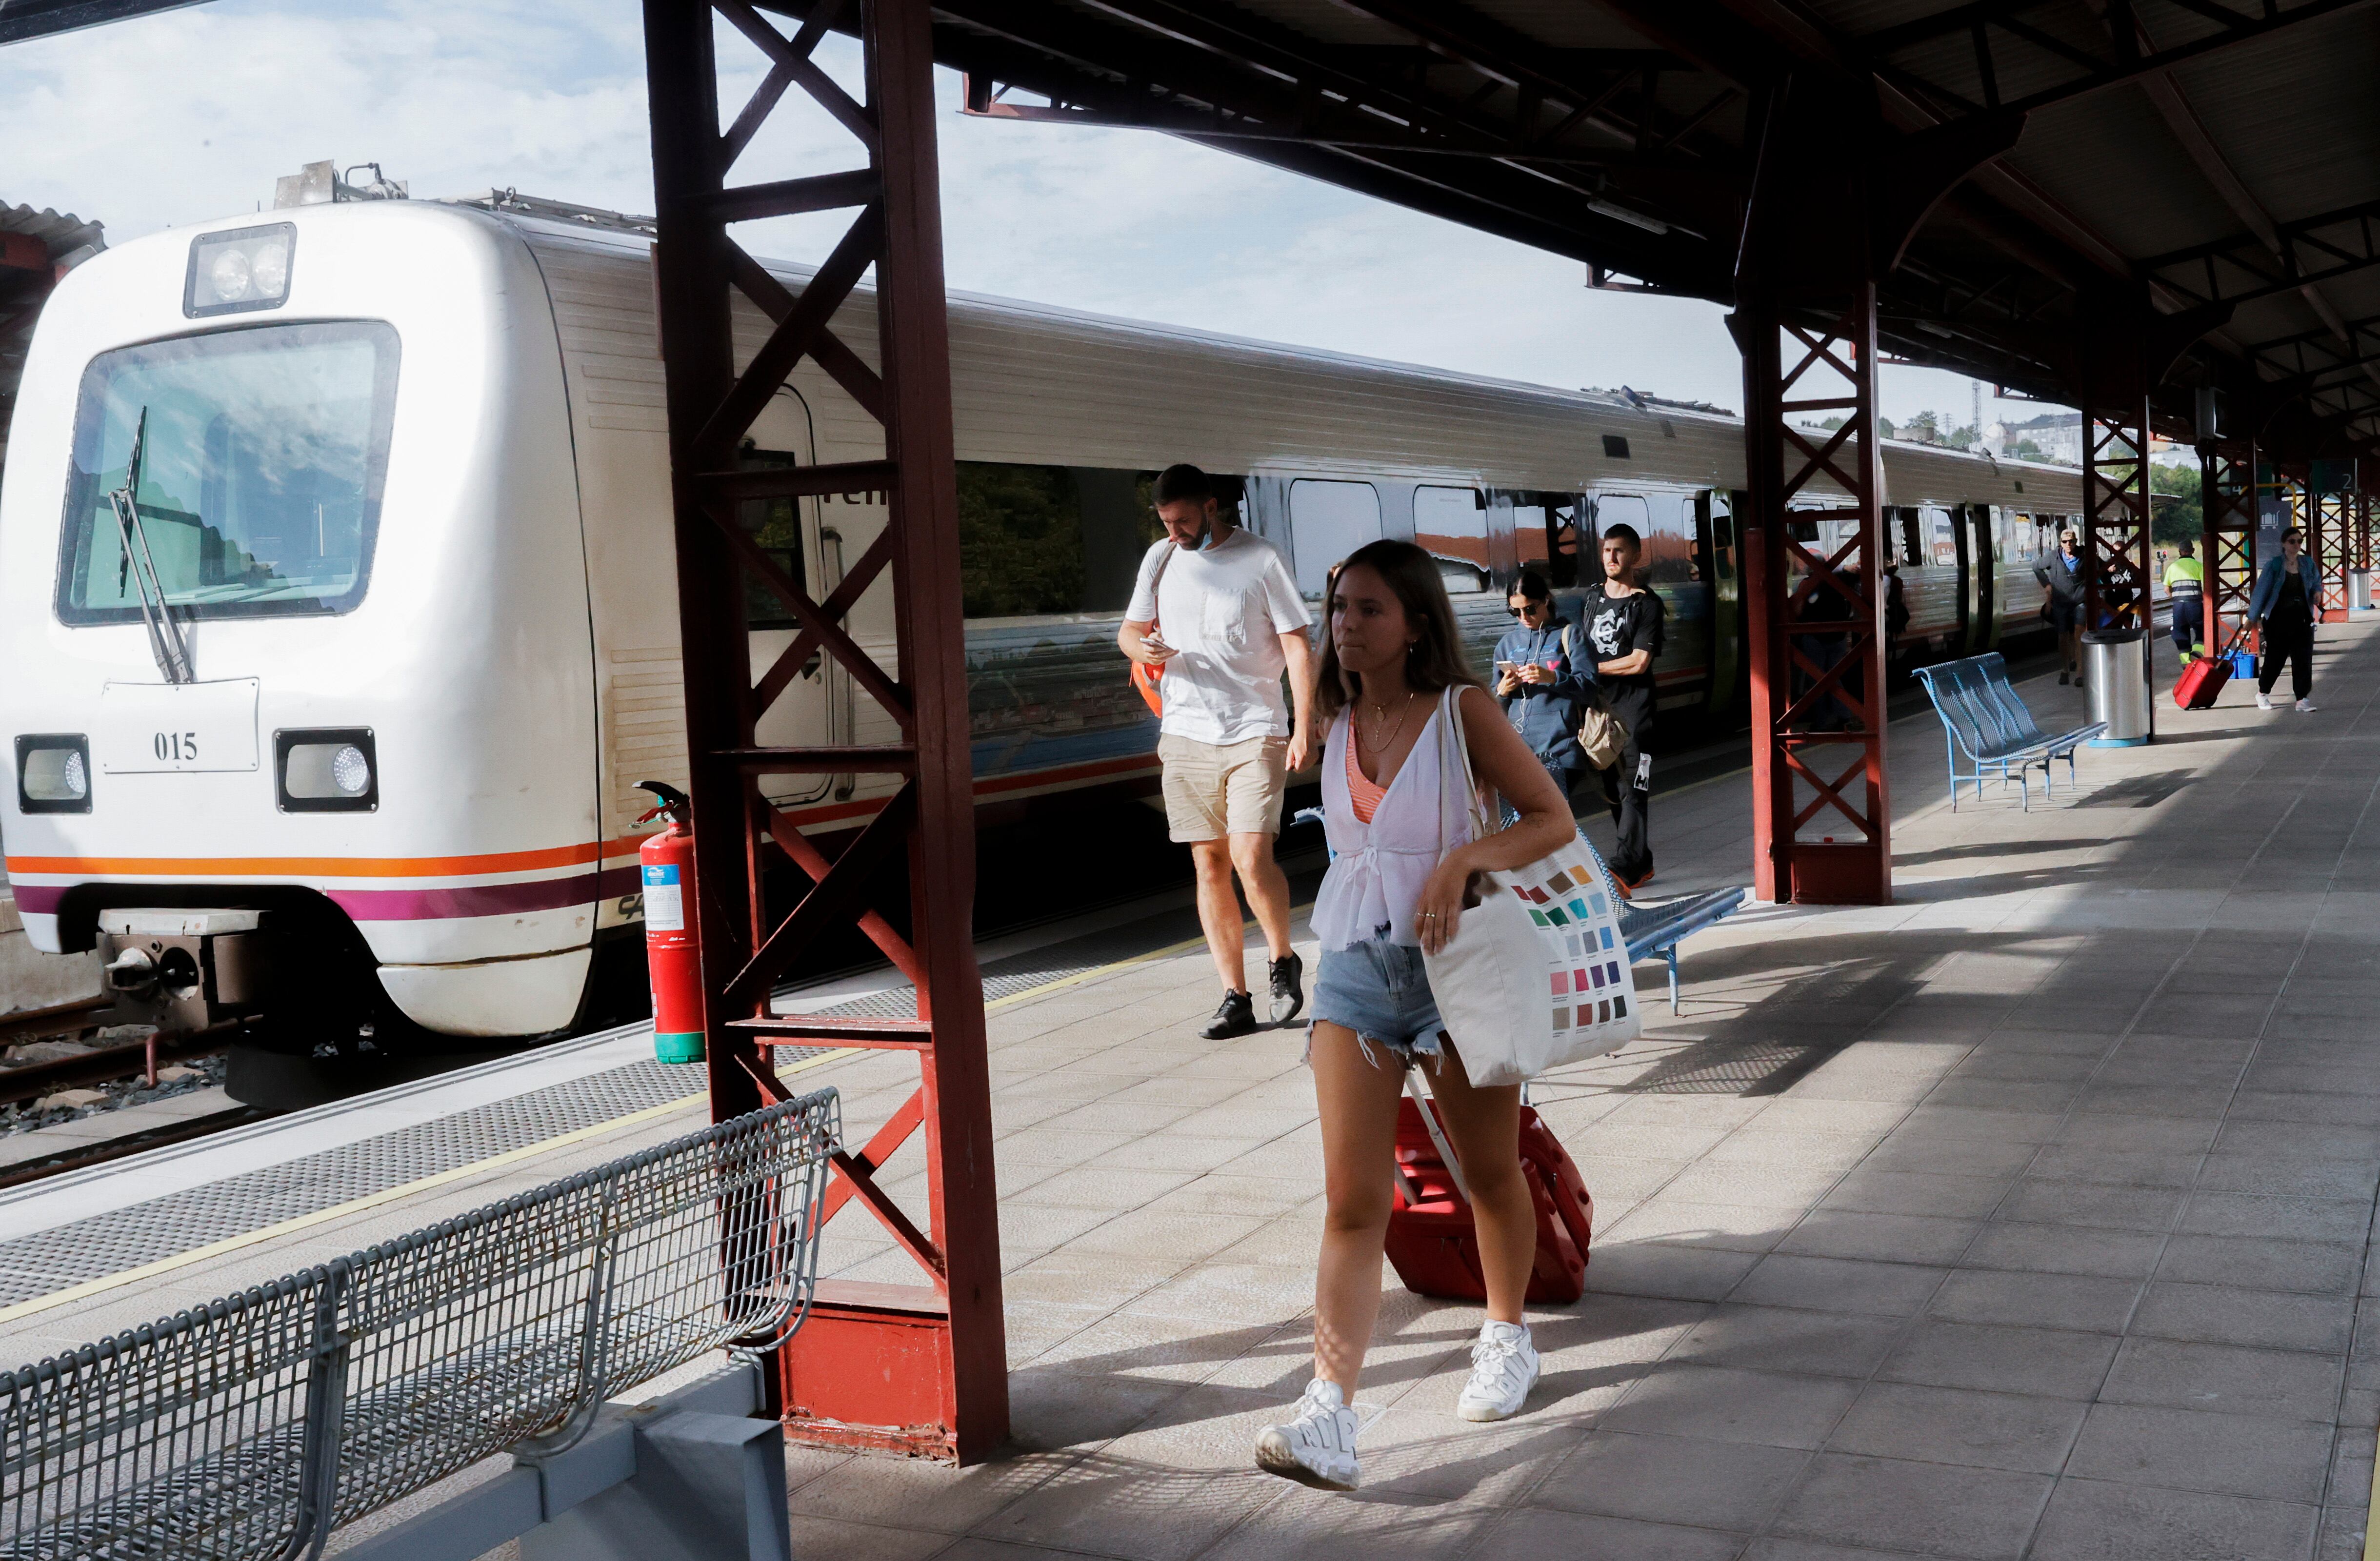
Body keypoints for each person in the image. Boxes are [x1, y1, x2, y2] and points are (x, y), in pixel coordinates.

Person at [1252, 539, 1576, 1492]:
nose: (1343, 625)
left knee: (1487, 1169)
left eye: (1366, 610)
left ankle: (1508, 1335)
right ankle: (1329, 1412)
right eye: (1337, 608)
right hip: (1356, 972)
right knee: (1354, 1201)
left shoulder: (1462, 712)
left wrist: (1459, 861)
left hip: (1459, 972)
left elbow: (1549, 816)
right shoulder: (1341, 720)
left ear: (1417, 624)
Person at [1120, 464, 1316, 1037]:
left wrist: (1304, 725)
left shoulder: (1261, 561)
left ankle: (1282, 958)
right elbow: (1127, 633)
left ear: (1211, 506)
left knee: (1251, 857)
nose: (1174, 532)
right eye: (1165, 522)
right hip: (1184, 731)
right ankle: (1235, 996)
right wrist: (1145, 643)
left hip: (1254, 727)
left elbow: (1298, 647)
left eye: (1183, 521)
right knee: (1208, 862)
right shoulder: (1160, 559)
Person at [1582, 524, 1665, 895]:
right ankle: (1640, 860)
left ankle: (1622, 865)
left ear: (1635, 556)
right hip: (1600, 713)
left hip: (1636, 714)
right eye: (1606, 551)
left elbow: (1638, 662)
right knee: (1614, 790)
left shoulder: (1646, 603)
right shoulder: (1592, 597)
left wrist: (1592, 669)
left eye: (1618, 551)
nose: (1610, 558)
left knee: (1636, 786)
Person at [1492, 569, 1590, 814]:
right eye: (1515, 611)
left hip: (1561, 750)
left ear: (1546, 599)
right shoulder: (1507, 645)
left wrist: (1553, 677)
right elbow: (1493, 709)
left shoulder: (1570, 635)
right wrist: (1501, 692)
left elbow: (1588, 688)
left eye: (1530, 609)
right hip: (1519, 753)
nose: (1523, 617)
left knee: (1546, 816)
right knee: (1521, 821)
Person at [2249, 526, 2321, 712]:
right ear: (2284, 543)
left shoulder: (2307, 563)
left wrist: (2317, 592)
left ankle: (2302, 698)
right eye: (2293, 541)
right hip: (2278, 620)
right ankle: (2263, 693)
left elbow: (2315, 582)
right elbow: (2261, 592)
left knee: (2303, 659)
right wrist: (2253, 617)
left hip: (2302, 618)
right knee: (2276, 659)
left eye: (2300, 541)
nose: (2297, 545)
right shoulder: (2274, 566)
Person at [2036, 529, 2086, 686]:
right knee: (2063, 636)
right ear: (2061, 543)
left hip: (2080, 600)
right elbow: (2036, 567)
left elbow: (2100, 567)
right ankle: (2065, 670)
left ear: (2076, 541)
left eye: (2071, 541)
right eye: (2065, 542)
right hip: (2061, 602)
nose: (2068, 544)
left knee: (2079, 632)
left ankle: (2080, 672)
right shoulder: (2053, 556)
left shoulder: (2085, 555)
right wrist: (2048, 585)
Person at [2165, 539, 2204, 668]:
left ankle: (2186, 664)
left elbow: (2167, 589)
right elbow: (2206, 588)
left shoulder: (2173, 567)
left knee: (2180, 632)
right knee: (2201, 629)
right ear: (2193, 551)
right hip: (2195, 605)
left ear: (2179, 552)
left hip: (2178, 606)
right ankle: (2197, 654)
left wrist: (2175, 596)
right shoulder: (2199, 566)